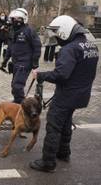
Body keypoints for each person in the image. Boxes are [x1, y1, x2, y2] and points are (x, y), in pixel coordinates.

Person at [30, 15, 99, 172]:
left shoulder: (69, 49)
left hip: (66, 95)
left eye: (57, 33)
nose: (56, 37)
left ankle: (47, 162)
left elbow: (61, 75)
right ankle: (63, 153)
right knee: (66, 123)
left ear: (65, 31)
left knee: (53, 125)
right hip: (80, 95)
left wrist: (40, 75)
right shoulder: (90, 46)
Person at [1, 8, 42, 104]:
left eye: (18, 19)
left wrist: (35, 65)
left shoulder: (29, 31)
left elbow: (37, 47)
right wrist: (5, 61)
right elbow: (10, 47)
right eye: (13, 19)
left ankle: (22, 105)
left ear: (24, 19)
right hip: (15, 62)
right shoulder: (12, 31)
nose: (15, 21)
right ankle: (17, 101)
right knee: (14, 85)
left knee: (17, 86)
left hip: (25, 63)